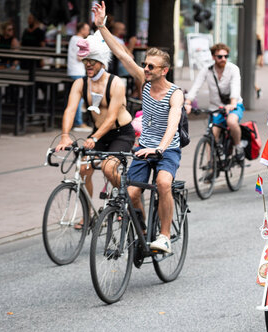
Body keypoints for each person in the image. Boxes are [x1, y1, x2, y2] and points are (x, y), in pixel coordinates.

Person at [93, 1, 184, 253]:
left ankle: (164, 236)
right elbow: (122, 54)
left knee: (164, 183)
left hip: (167, 149)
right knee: (132, 194)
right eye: (145, 65)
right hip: (143, 148)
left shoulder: (175, 93)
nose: (146, 69)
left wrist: (160, 149)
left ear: (164, 70)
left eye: (151, 66)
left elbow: (173, 123)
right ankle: (143, 232)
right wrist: (101, 26)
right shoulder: (143, 82)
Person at [55, 30, 135, 230]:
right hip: (99, 132)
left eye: (92, 59)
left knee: (109, 168)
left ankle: (126, 198)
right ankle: (88, 213)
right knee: (83, 169)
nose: (88, 64)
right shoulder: (80, 83)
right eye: (85, 60)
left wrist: (95, 137)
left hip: (121, 133)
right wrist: (65, 136)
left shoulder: (116, 83)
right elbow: (70, 109)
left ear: (101, 60)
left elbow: (111, 118)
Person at [185, 43, 244, 161]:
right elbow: (196, 86)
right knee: (212, 135)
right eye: (220, 57)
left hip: (234, 105)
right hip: (215, 108)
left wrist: (232, 103)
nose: (223, 59)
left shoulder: (233, 69)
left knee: (232, 122)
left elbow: (235, 87)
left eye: (226, 56)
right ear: (213, 57)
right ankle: (211, 167)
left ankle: (238, 147)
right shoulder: (207, 70)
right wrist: (188, 102)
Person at [67, 22, 92, 132]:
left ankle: (77, 121)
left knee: (77, 97)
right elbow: (79, 57)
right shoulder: (80, 40)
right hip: (77, 71)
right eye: (86, 29)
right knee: (79, 98)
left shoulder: (73, 39)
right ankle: (78, 122)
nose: (88, 31)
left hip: (73, 70)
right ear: (81, 29)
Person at [255, 33, 263, 98]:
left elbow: (260, 51)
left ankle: (257, 89)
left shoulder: (257, 39)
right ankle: (257, 89)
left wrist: (261, 60)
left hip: (253, 59)